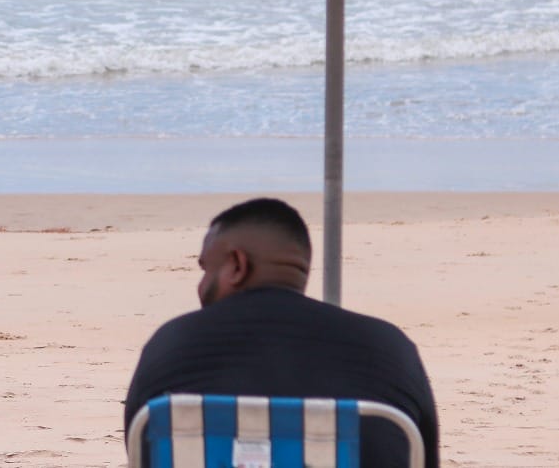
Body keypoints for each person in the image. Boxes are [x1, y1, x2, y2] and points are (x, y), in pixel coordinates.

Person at [124, 198, 439, 468]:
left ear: (237, 264)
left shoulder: (171, 345)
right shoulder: (388, 348)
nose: (202, 285)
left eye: (206, 269)